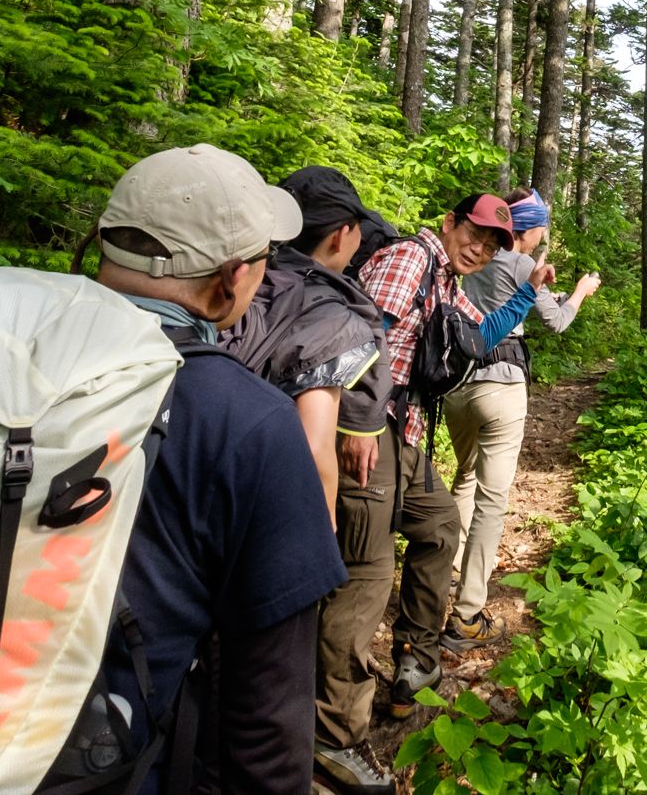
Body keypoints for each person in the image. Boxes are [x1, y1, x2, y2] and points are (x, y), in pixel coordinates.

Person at [83, 144, 347, 792]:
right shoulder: (248, 420)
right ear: (230, 279)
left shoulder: (7, 352)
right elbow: (268, 720)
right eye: (263, 258)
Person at [313, 194, 552, 795]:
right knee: (366, 575)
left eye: (494, 244)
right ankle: (331, 734)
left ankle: (415, 662)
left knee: (442, 525)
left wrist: (526, 294)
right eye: (473, 234)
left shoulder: (447, 280)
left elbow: (476, 339)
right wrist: (360, 425)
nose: (480, 248)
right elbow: (359, 340)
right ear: (449, 223)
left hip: (405, 435)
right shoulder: (408, 261)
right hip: (369, 432)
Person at [441, 187, 601, 652]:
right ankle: (468, 611)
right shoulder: (521, 266)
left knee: (465, 479)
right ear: (525, 231)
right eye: (538, 232)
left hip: (455, 383)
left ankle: (447, 571)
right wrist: (580, 292)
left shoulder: (465, 259)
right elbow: (557, 322)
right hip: (501, 384)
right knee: (493, 497)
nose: (538, 241)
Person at [222, 165, 389, 525]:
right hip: (262, 497)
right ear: (340, 236)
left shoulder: (247, 280)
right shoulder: (330, 316)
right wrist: (320, 541)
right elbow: (315, 450)